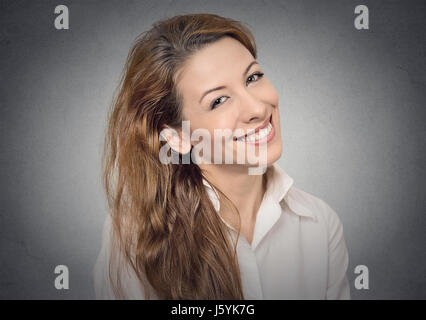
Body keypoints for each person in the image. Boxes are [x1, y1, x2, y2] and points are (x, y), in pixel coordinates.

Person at [93, 13, 351, 300]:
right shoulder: (134, 235)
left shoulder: (319, 223)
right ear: (177, 137)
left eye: (253, 77)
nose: (257, 108)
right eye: (218, 100)